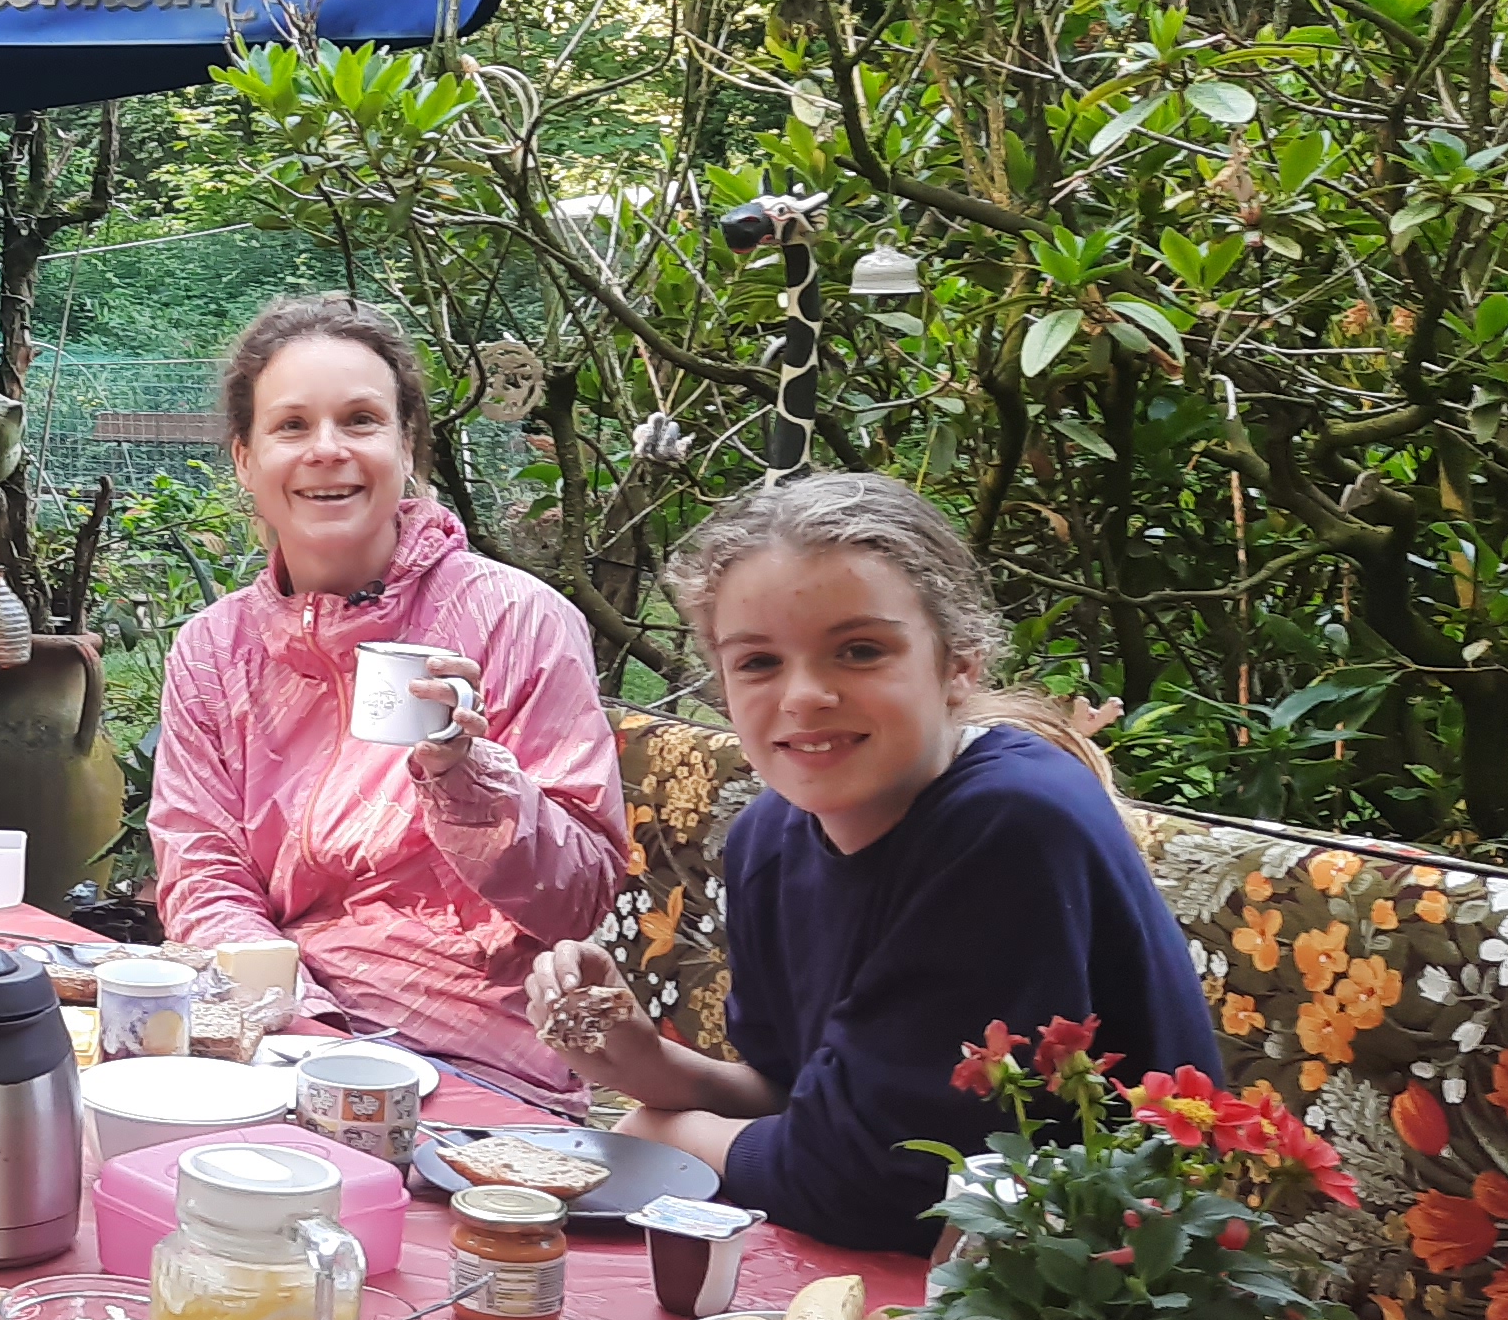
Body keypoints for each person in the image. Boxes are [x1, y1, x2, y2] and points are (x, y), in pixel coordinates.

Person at [524, 472, 1223, 1255]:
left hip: (1088, 1298)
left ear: (959, 663)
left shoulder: (1009, 826)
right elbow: (800, 1094)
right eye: (758, 662)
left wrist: (666, 1132)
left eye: (860, 651)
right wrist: (646, 1062)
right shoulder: (772, 835)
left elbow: (871, 1180)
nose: (806, 695)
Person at [146, 292, 627, 1097]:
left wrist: (467, 777)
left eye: (361, 420)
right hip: (283, 1035)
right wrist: (295, 1019)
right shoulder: (214, 651)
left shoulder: (518, 620)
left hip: (477, 1056)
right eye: (292, 426)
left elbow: (576, 901)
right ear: (244, 460)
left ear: (408, 447)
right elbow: (203, 875)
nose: (326, 450)